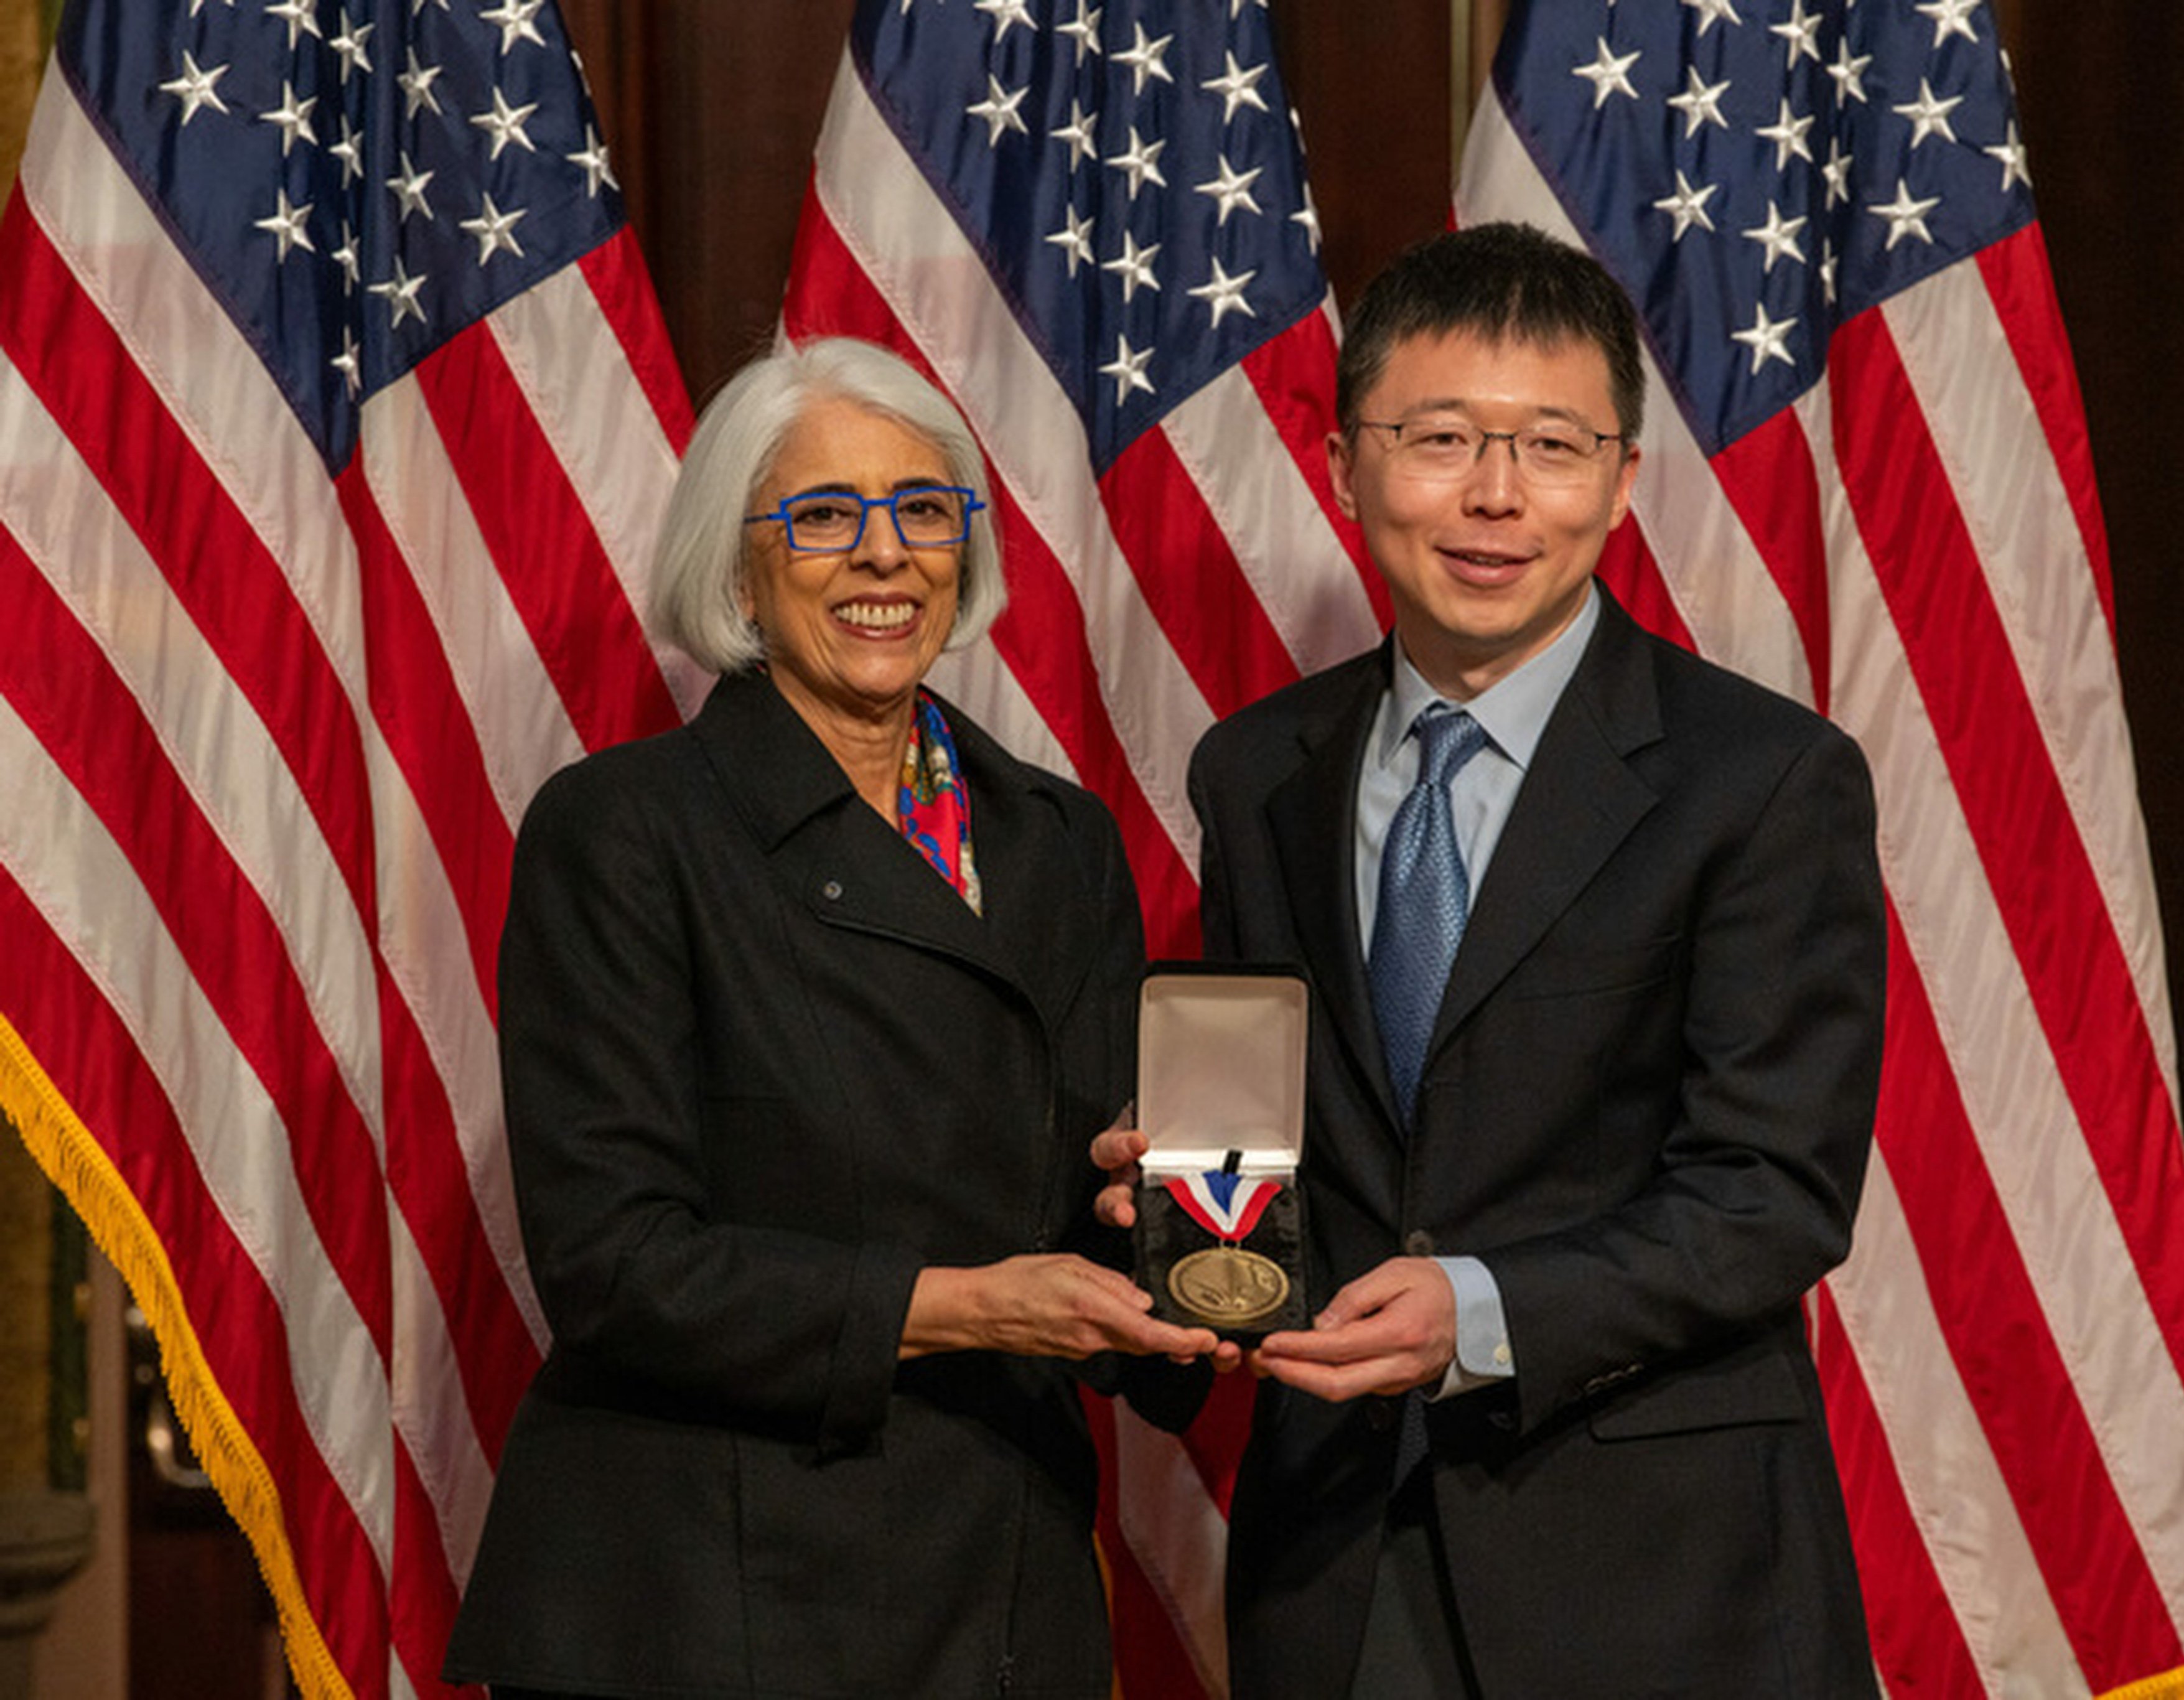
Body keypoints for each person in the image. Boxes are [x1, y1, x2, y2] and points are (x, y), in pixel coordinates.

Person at [1103, 222, 1887, 1697]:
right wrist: (1171, 1216)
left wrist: (1474, 1310)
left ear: (1621, 481)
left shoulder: (1760, 780)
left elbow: (1769, 1192)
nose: (1494, 496)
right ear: (1345, 464)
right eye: (1441, 437)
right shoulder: (1255, 771)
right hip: (1337, 1559)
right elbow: (1271, 1139)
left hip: (1657, 1573)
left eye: (1550, 445)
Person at [444, 336, 1223, 1700]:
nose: (884, 556)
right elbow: (614, 1262)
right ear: (738, 567)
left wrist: (1176, 1226)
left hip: (997, 1591)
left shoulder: (1059, 843)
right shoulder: (625, 831)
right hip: (708, 1606)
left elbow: (1093, 1194)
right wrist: (968, 1307)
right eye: (823, 517)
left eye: (924, 510)